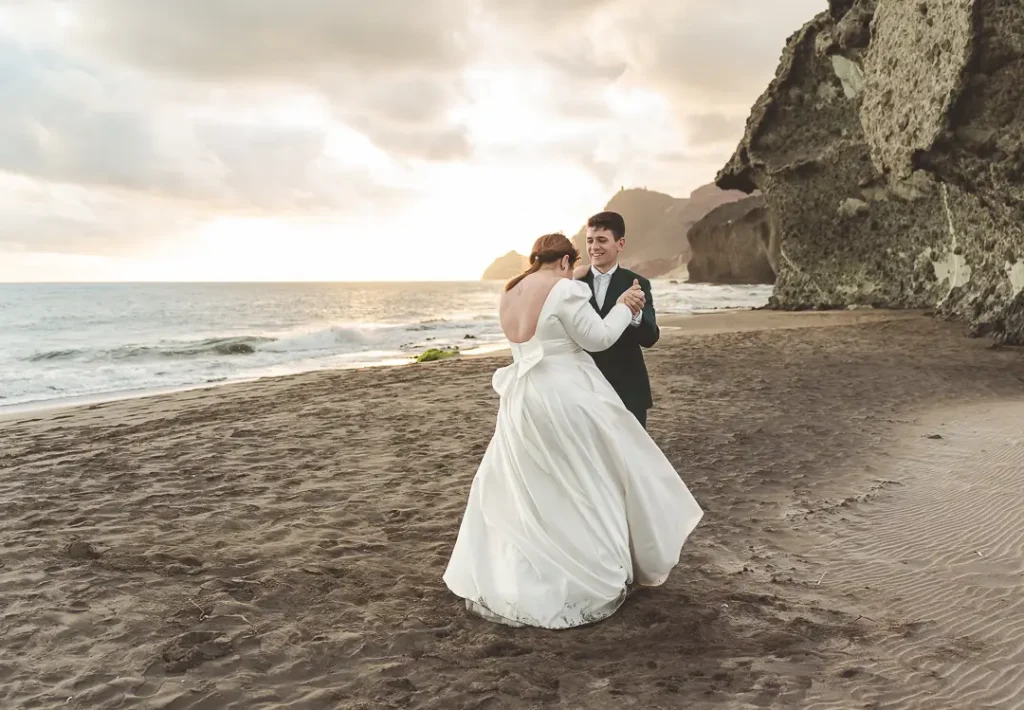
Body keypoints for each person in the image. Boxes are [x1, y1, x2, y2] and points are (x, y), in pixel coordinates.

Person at [442, 233, 704, 629]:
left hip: (521, 399)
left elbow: (535, 325)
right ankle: (586, 571)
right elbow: (597, 339)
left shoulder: (510, 289)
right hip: (564, 395)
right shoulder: (565, 288)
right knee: (585, 478)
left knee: (534, 484)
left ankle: (521, 572)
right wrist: (621, 305)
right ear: (566, 260)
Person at [575, 211, 659, 429]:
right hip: (584, 386)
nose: (594, 247)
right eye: (590, 240)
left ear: (620, 243)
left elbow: (650, 337)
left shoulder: (638, 284)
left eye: (602, 240)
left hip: (627, 386)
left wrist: (634, 313)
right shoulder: (573, 284)